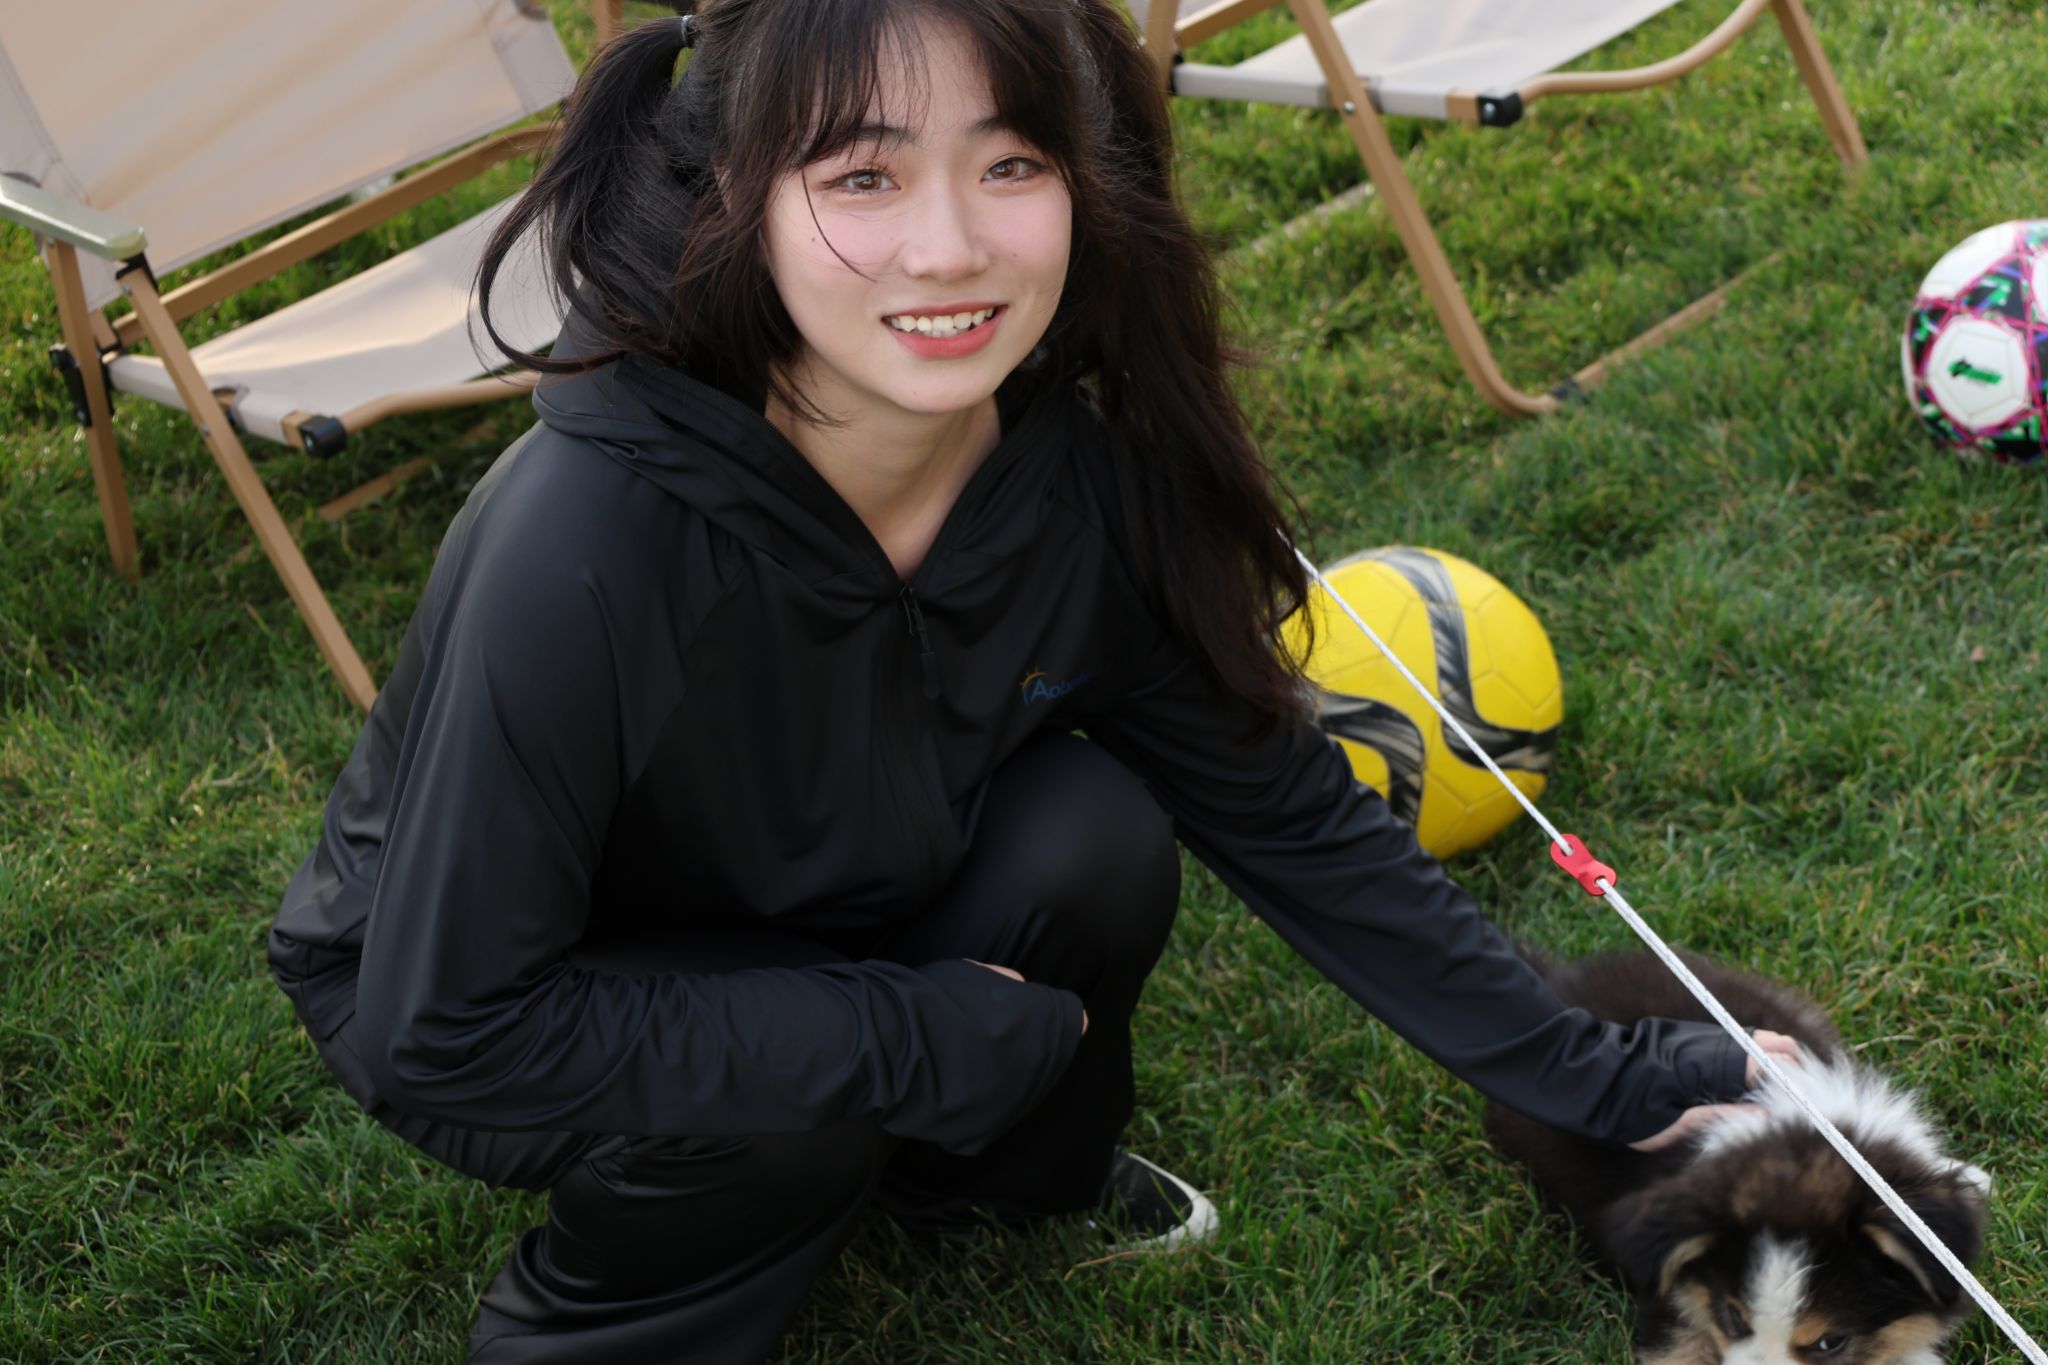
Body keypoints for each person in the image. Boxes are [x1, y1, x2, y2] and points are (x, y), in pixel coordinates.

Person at [266, 1, 1796, 1360]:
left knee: (1094, 834)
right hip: (485, 988)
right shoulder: (588, 537)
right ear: (735, 191)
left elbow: (1287, 815)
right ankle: (599, 1327)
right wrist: (909, 1033)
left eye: (1011, 163)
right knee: (789, 1104)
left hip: (810, 878)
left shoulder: (1071, 475)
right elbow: (448, 1019)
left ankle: (975, 1179)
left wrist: (1602, 1074)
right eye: (862, 177)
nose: (950, 246)